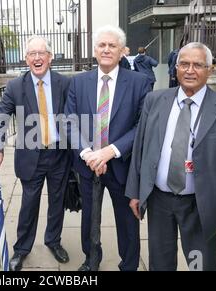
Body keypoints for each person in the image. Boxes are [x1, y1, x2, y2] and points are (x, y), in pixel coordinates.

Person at [126, 42, 216, 271]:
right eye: (184, 64)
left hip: (201, 207)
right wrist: (136, 192)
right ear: (176, 68)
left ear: (210, 69)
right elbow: (141, 149)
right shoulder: (155, 101)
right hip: (159, 202)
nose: (189, 70)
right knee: (161, 264)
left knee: (200, 264)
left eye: (197, 65)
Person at [64, 25, 150, 271]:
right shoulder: (78, 82)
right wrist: (88, 153)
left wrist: (110, 151)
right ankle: (91, 261)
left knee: (127, 220)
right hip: (88, 164)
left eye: (112, 45)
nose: (106, 49)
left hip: (122, 164)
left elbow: (141, 126)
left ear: (123, 51)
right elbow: (69, 121)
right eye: (102, 45)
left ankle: (129, 264)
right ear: (94, 51)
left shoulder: (139, 82)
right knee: (90, 218)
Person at [0, 35, 71, 271]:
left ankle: (53, 241)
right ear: (26, 59)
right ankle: (22, 249)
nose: (37, 58)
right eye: (32, 54)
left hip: (58, 155)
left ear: (50, 57)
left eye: (41, 53)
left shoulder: (63, 83)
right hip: (31, 157)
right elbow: (1, 117)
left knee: (57, 201)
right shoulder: (15, 86)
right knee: (29, 204)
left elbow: (74, 116)